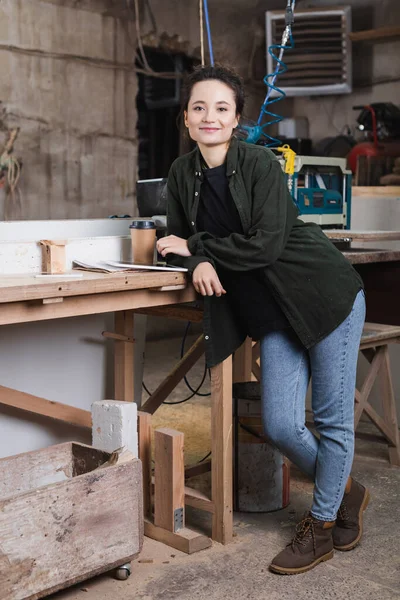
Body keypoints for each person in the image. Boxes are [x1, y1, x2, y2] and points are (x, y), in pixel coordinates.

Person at [156, 64, 369, 575]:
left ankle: (318, 527)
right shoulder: (182, 175)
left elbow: (267, 244)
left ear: (236, 121)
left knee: (334, 419)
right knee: (278, 423)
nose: (210, 116)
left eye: (222, 108)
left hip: (322, 296)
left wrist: (199, 247)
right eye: (200, 107)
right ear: (186, 119)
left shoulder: (259, 165)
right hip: (273, 314)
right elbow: (174, 243)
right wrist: (197, 259)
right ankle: (344, 487)